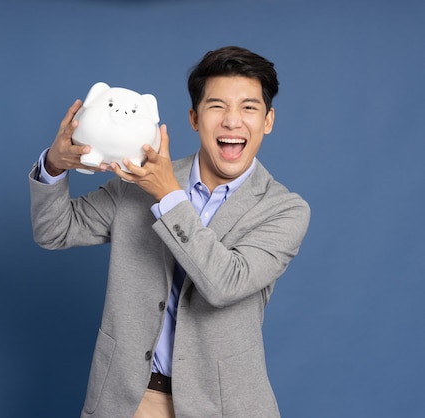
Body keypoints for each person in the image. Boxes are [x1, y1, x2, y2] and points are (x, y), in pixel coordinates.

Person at [29, 46, 310, 418]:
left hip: (226, 408)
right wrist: (54, 164)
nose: (232, 121)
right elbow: (54, 230)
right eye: (217, 106)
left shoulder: (284, 210)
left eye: (248, 108)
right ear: (194, 118)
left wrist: (166, 194)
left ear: (268, 120)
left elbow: (225, 283)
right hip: (128, 400)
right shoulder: (135, 182)